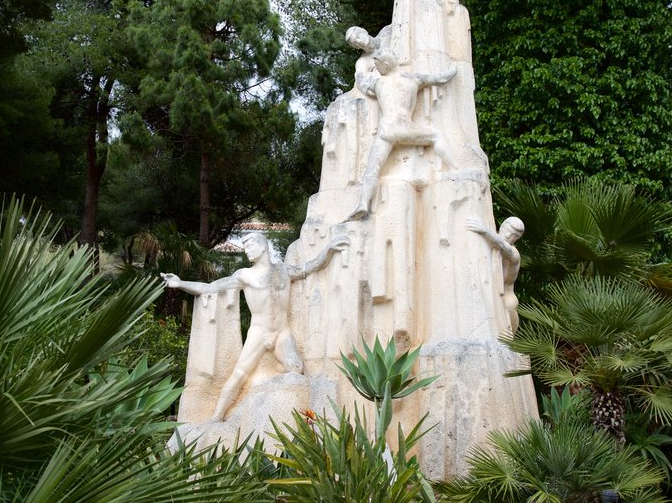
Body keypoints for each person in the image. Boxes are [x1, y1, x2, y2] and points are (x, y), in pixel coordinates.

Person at [162, 232, 350, 422]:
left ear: (263, 246)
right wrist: (180, 283)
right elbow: (211, 287)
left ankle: (271, 379)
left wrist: (329, 248)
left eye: (250, 246)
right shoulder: (245, 275)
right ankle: (217, 416)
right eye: (245, 248)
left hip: (281, 332)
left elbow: (310, 267)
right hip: (259, 333)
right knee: (239, 374)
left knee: (295, 368)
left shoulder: (283, 270)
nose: (247, 251)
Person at [348, 49, 457, 220]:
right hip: (404, 128)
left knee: (372, 169)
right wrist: (455, 69)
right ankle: (455, 169)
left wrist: (359, 69)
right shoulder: (412, 78)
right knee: (436, 136)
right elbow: (441, 78)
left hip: (386, 131)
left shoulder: (378, 83)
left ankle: (363, 203)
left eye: (378, 66)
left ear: (385, 65)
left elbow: (361, 80)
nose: (377, 70)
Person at [465, 217, 525, 330]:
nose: (508, 236)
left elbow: (502, 245)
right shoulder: (488, 242)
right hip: (488, 290)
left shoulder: (514, 253)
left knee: (509, 305)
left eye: (515, 235)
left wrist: (485, 231)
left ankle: (510, 340)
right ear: (502, 226)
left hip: (506, 294)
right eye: (508, 230)